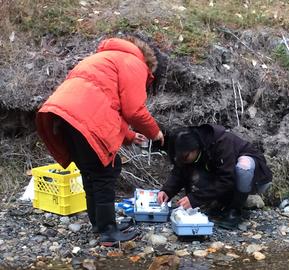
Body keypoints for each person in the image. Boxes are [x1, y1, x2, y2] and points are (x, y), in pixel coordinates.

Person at [36, 36, 164, 246]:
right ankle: (108, 232)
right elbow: (134, 111)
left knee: (90, 172)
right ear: (148, 64)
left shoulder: (102, 59)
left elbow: (105, 103)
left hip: (64, 117)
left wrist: (130, 136)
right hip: (86, 118)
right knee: (105, 171)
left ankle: (99, 223)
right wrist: (155, 132)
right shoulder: (133, 63)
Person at [157, 124, 272, 229]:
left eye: (186, 157)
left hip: (256, 180)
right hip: (227, 177)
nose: (183, 161)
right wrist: (167, 191)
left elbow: (227, 179)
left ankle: (235, 210)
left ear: (195, 147)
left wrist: (195, 199)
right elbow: (180, 171)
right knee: (196, 174)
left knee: (243, 167)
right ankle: (222, 204)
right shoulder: (193, 150)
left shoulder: (222, 142)